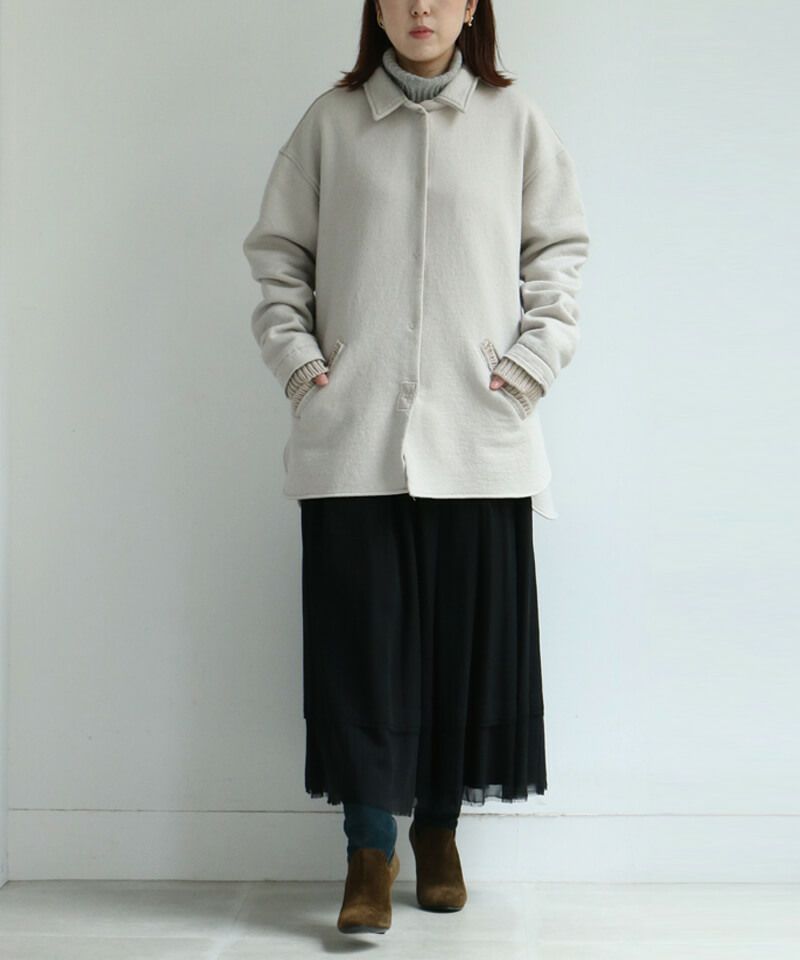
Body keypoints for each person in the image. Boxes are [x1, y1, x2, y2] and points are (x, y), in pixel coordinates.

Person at [242, 0, 590, 935]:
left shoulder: (516, 123)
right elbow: (277, 256)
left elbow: (559, 256)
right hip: (353, 434)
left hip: (480, 437)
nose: (421, 8)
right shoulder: (330, 123)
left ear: (472, 6)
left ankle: (438, 835)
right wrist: (302, 366)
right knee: (360, 653)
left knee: (461, 654)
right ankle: (368, 849)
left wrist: (529, 368)